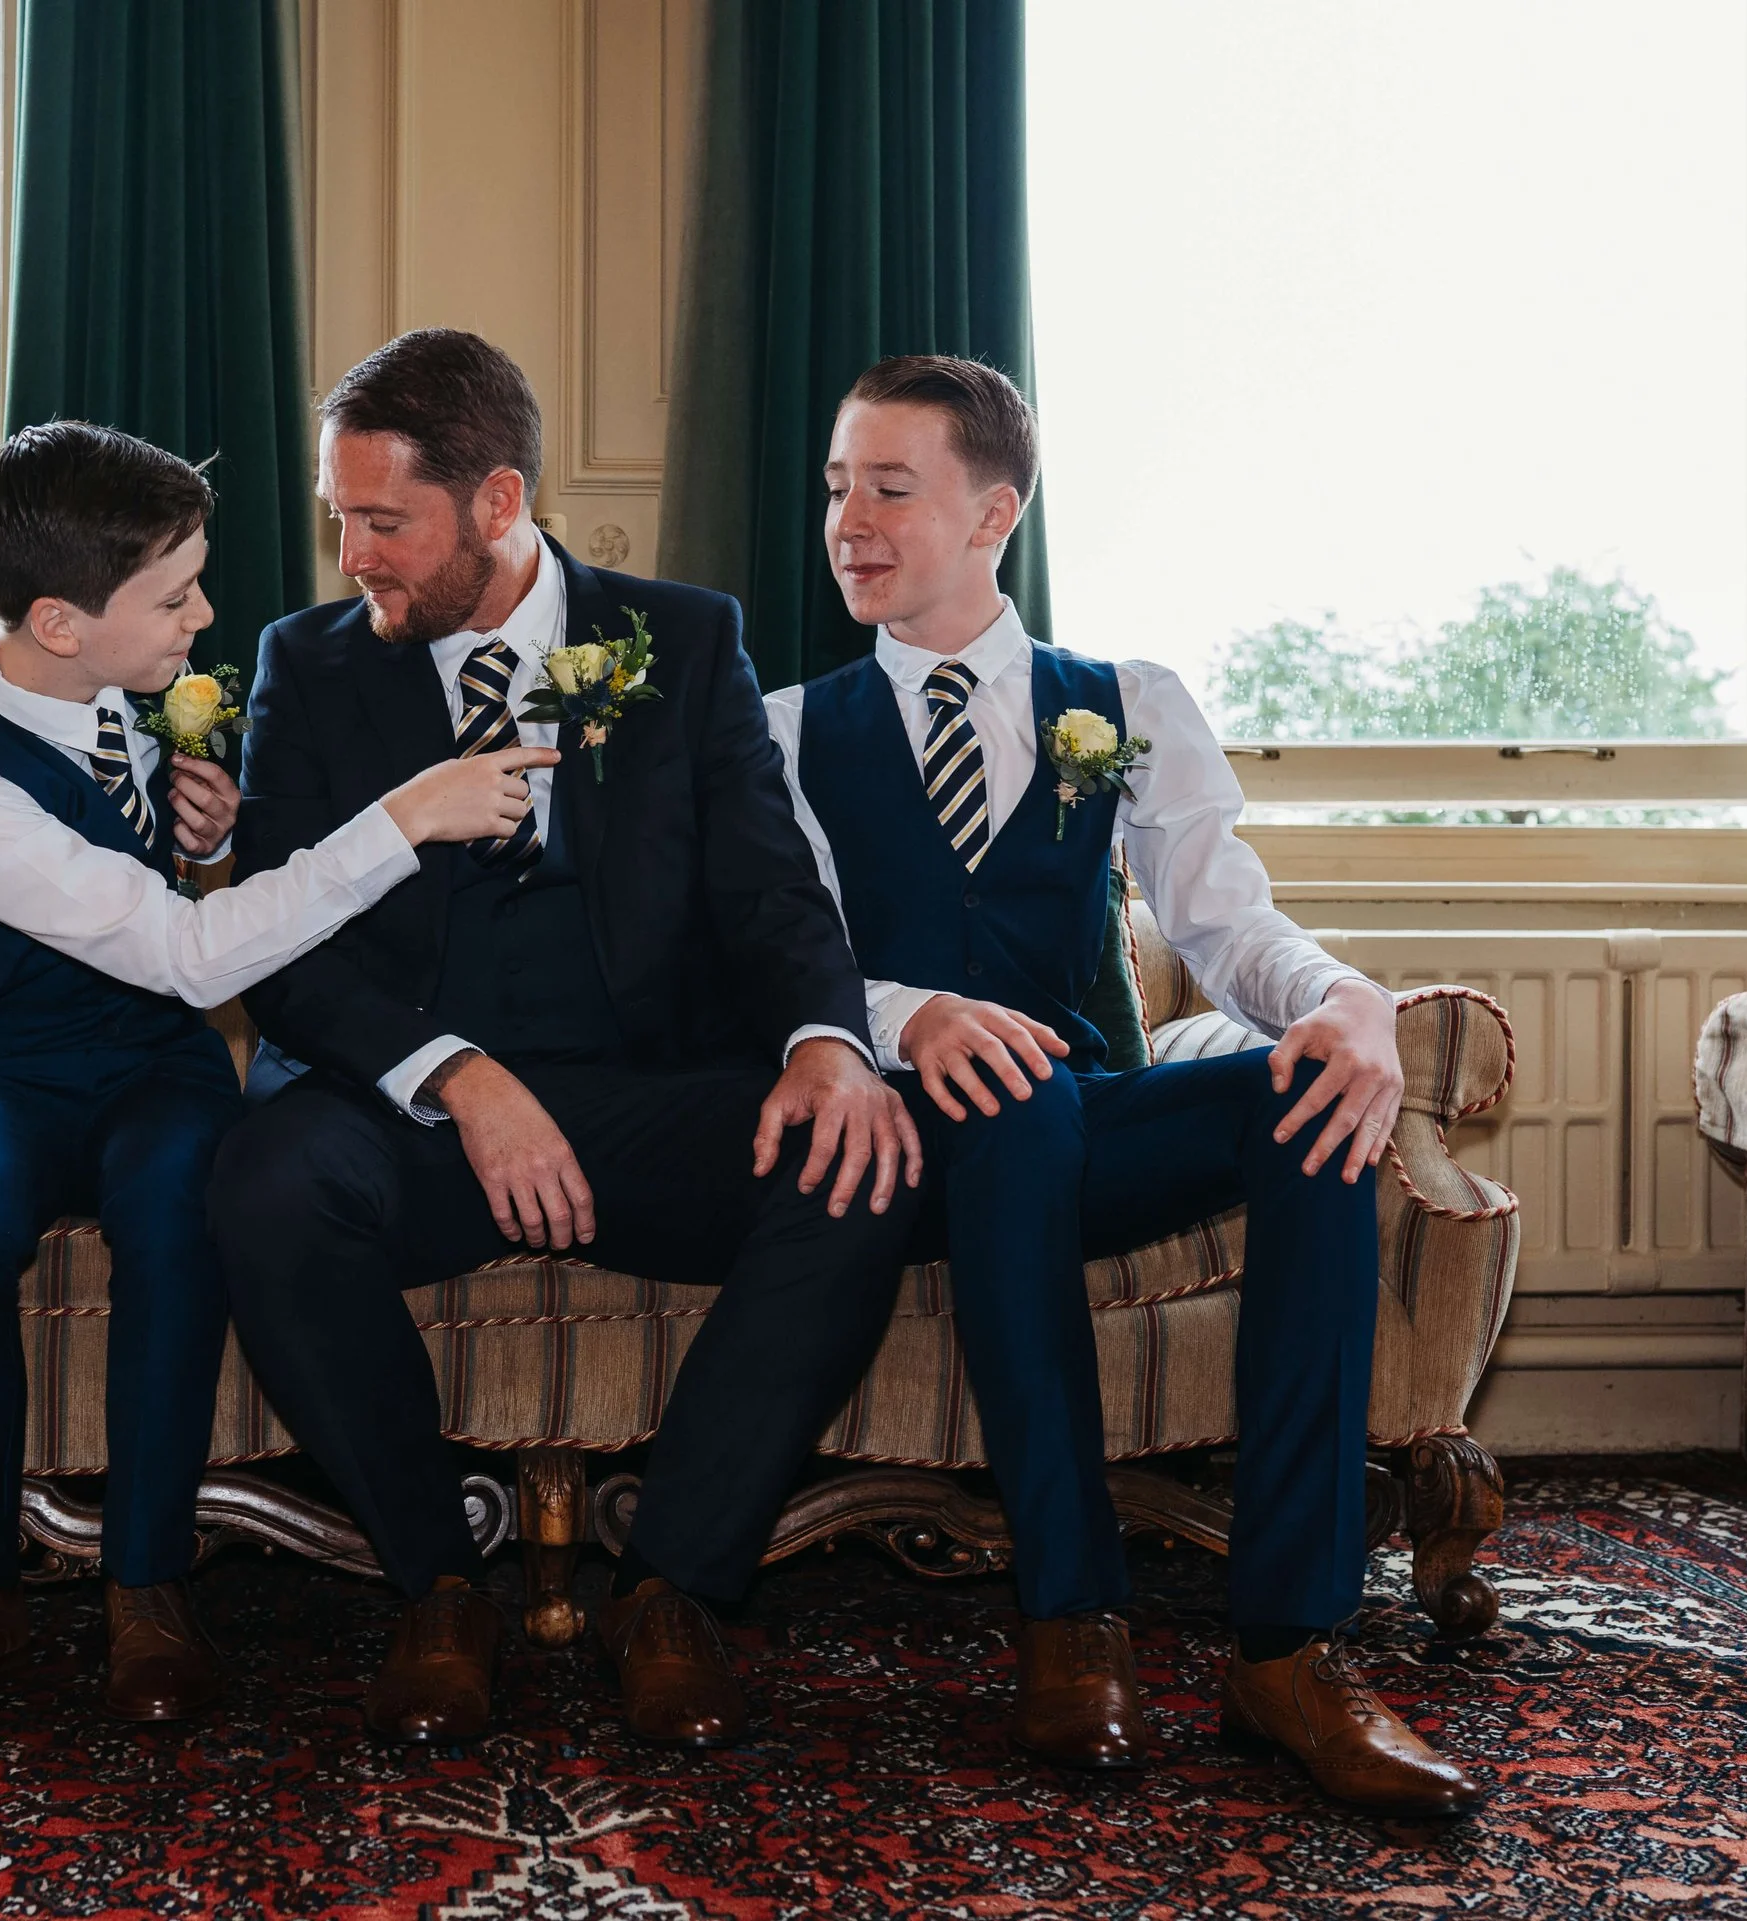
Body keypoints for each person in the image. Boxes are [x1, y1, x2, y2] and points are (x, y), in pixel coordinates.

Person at [763, 354, 1483, 1815]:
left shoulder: (1124, 703)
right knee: (1013, 1098)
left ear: (993, 514)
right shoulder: (785, 732)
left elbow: (1225, 925)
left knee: (1308, 1100)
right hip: (912, 1148)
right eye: (838, 489)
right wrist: (914, 1013)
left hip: (1085, 1125)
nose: (849, 521)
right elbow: (785, 963)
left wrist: (1343, 1001)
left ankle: (1289, 1652)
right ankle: (1072, 1612)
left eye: (890, 487)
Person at [212, 328, 924, 1750]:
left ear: (497, 502)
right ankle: (438, 1586)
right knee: (263, 1186)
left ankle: (672, 1588)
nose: (354, 556)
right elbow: (281, 946)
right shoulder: (307, 663)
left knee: (858, 1165)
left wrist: (829, 1045)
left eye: (385, 522)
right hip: (406, 1109)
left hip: (640, 1093)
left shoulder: (687, 639)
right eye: (341, 518)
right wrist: (459, 1076)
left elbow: (772, 891)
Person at [0, 420, 553, 1724]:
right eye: (173, 598)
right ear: (60, 621)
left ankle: (147, 1586)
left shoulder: (129, 699)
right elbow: (187, 952)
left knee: (181, 1207)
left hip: (156, 1072)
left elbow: (176, 885)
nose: (204, 617)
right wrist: (406, 817)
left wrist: (197, 830)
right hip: (2, 1072)